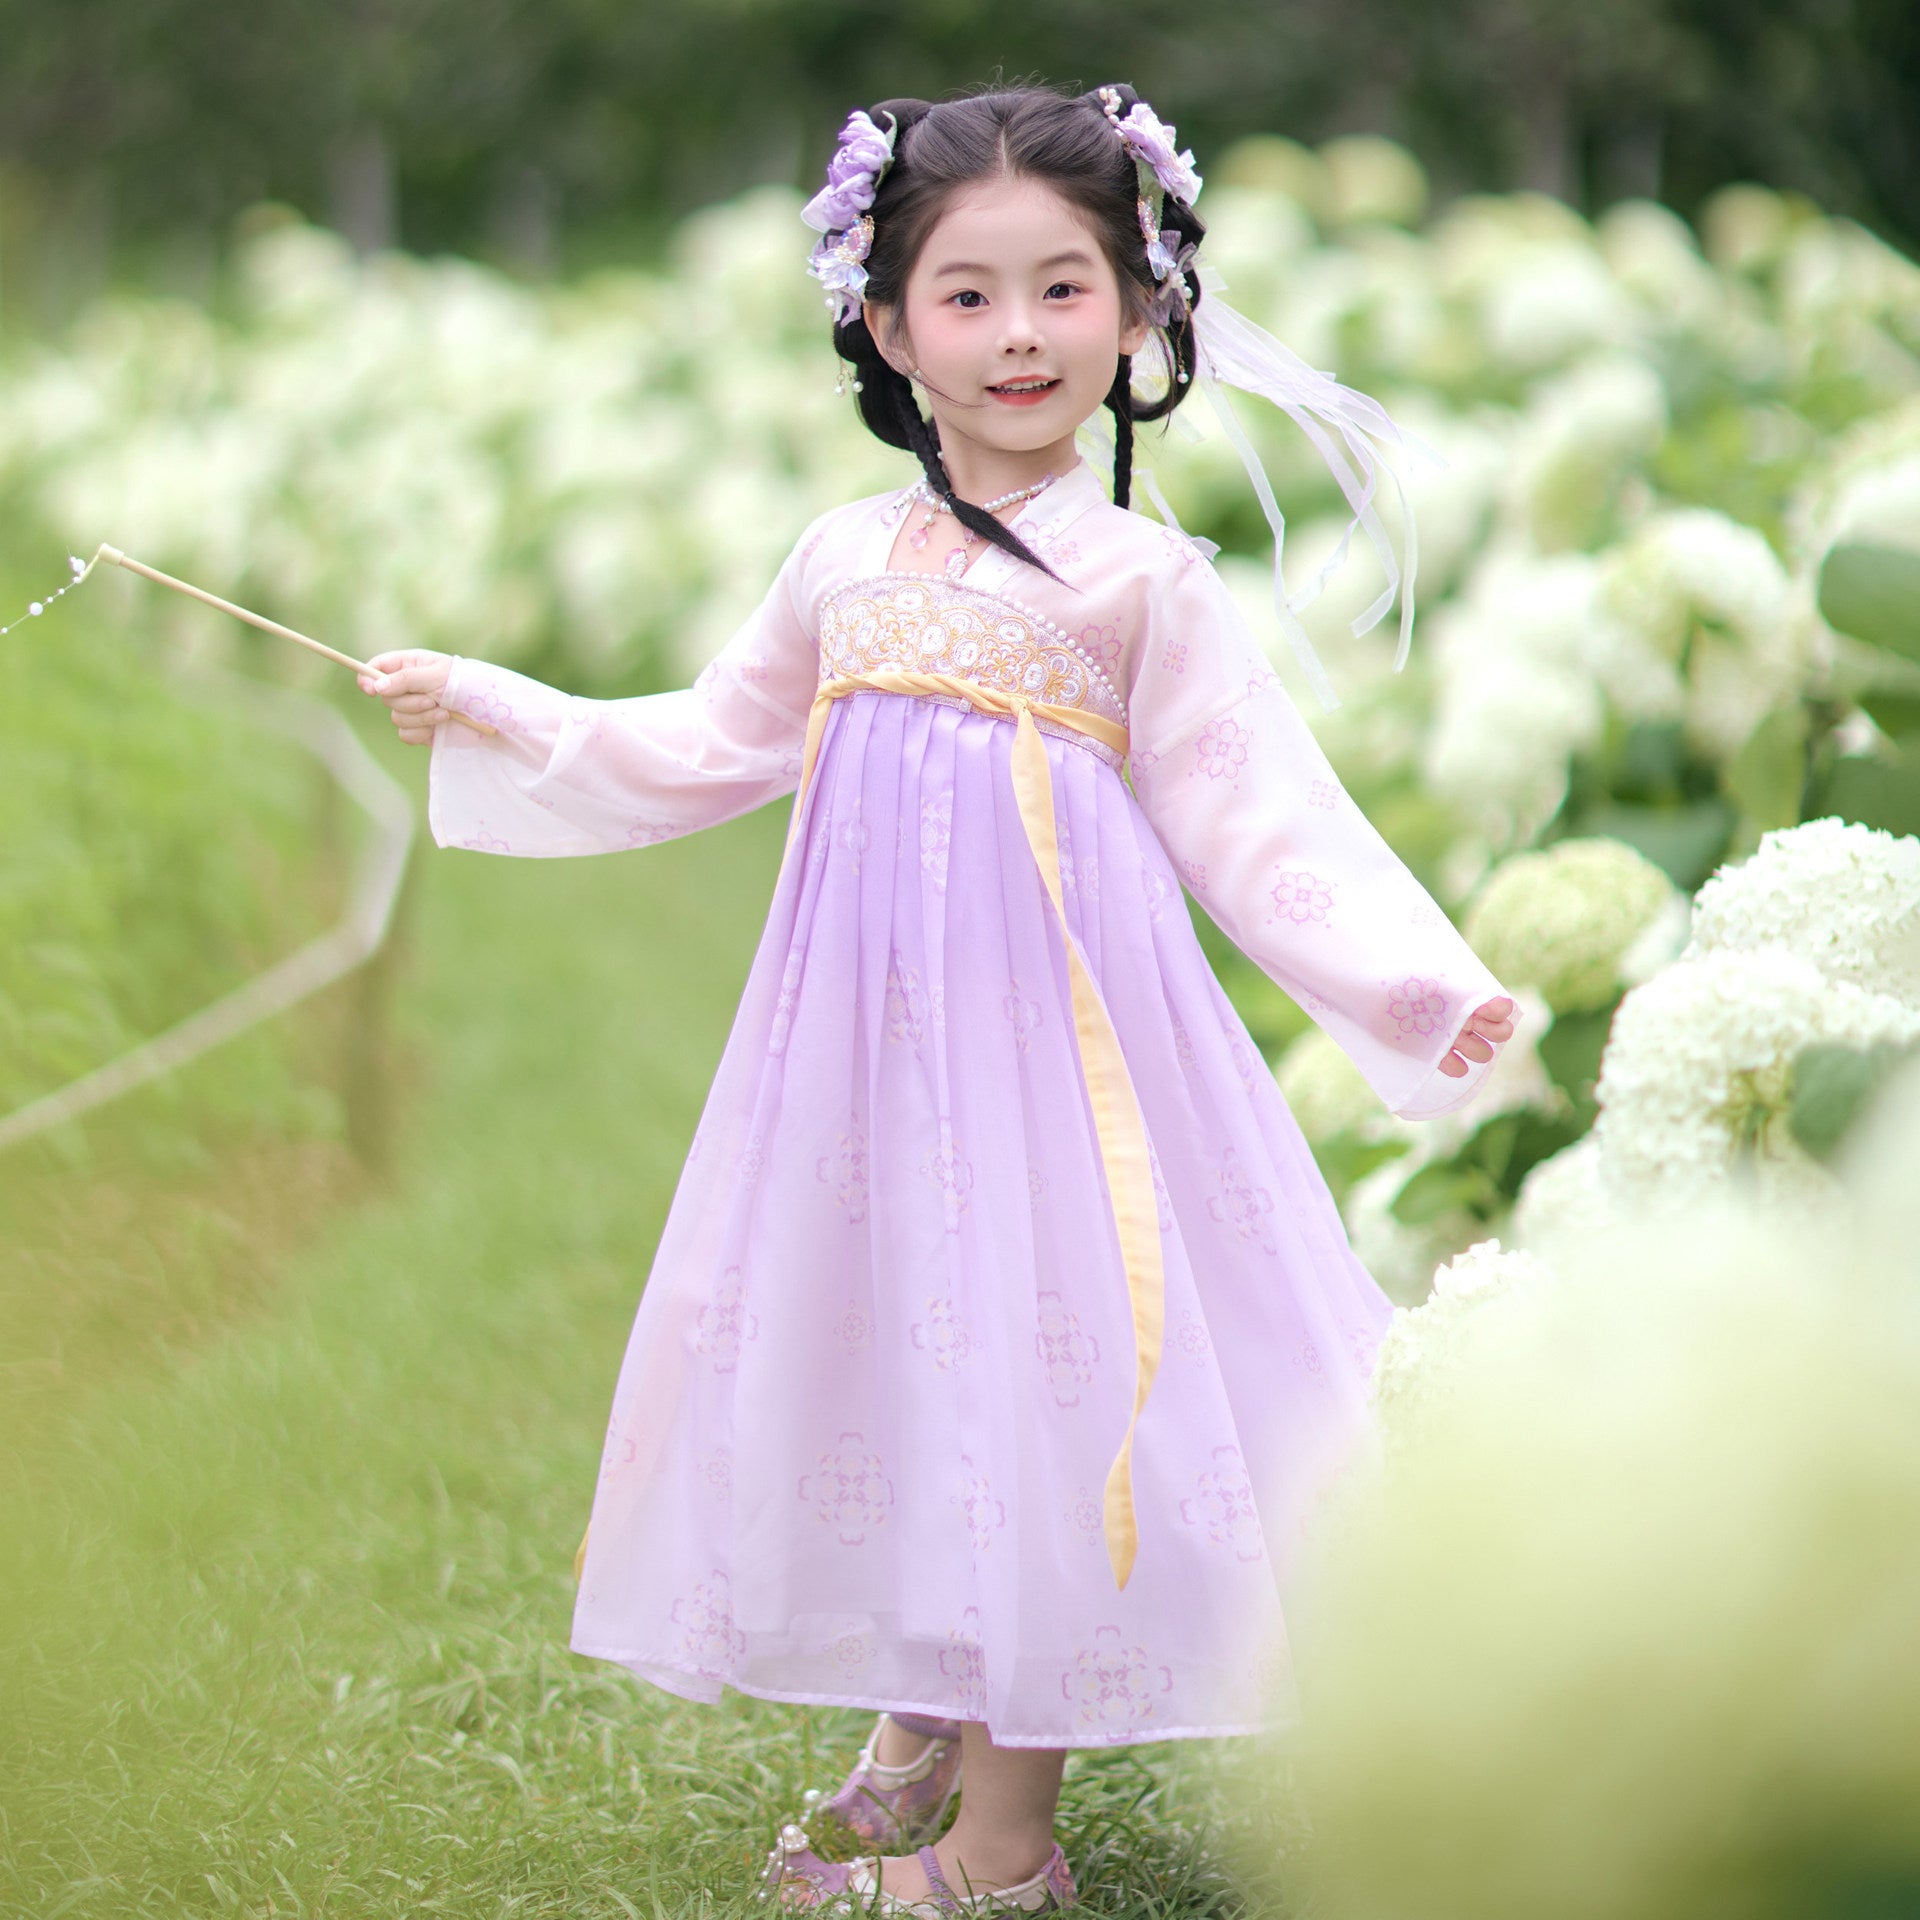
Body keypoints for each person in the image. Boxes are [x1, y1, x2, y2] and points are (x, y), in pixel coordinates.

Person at [360, 82, 1515, 1918]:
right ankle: (926, 1714)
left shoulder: (1143, 584)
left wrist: (1410, 981)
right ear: (887, 326)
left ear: (1139, 311)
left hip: (1058, 1054)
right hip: (864, 1051)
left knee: (1034, 1357)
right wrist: (521, 709)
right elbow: (711, 739)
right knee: (909, 1334)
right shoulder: (839, 561)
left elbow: (1258, 811)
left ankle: (1006, 1840)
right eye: (965, 297)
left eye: (1065, 288)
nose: (1018, 336)